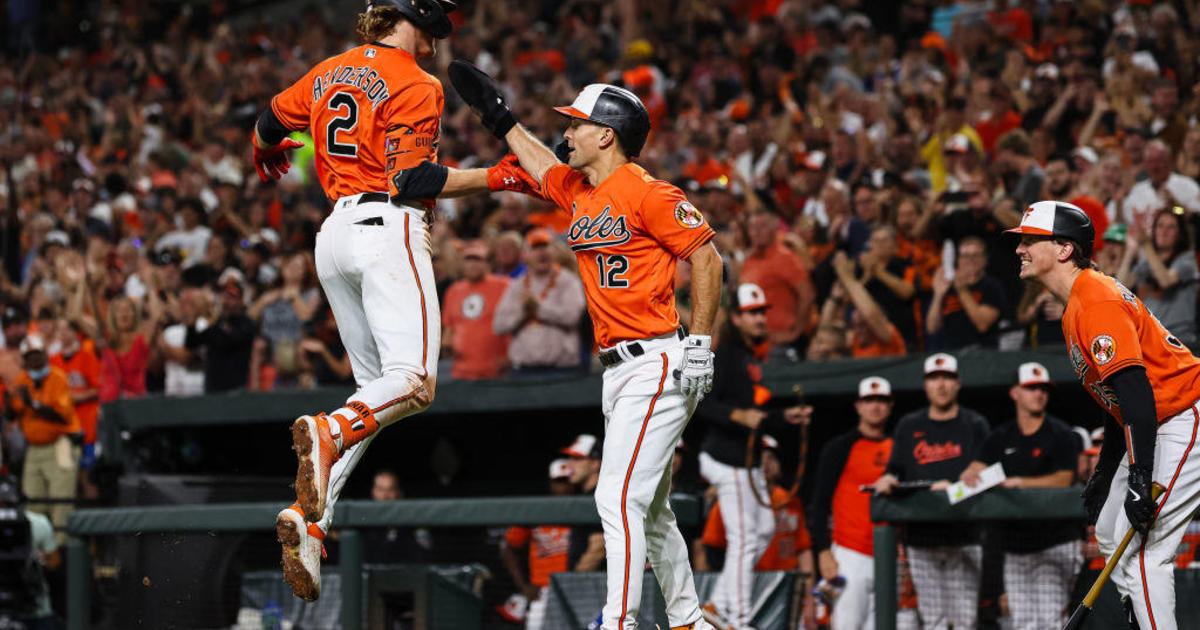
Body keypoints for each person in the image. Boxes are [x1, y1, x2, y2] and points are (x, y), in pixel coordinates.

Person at [393, 63, 725, 629]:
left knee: (616, 501)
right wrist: (499, 123)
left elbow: (707, 257)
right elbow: (534, 165)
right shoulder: (578, 187)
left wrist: (700, 342)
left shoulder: (647, 191)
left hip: (657, 360)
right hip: (619, 370)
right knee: (654, 512)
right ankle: (689, 619)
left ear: (607, 134)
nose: (566, 133)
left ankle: (619, 623)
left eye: (576, 124)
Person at [1009, 199, 1200, 630]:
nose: (1020, 249)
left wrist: (1139, 475)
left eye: (1029, 240)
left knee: (1147, 551)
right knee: (1112, 533)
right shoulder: (1078, 301)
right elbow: (1119, 401)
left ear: (1063, 249)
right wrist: (1108, 468)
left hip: (1184, 414)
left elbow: (1135, 391)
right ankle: (1142, 617)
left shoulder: (1094, 298)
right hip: (1158, 418)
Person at [693, 283, 810, 629]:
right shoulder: (725, 353)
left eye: (762, 312)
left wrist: (782, 418)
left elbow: (753, 415)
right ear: (737, 317)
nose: (759, 318)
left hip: (746, 459)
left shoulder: (749, 356)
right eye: (752, 313)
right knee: (745, 538)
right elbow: (700, 402)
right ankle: (739, 620)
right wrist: (735, 416)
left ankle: (720, 605)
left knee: (764, 530)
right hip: (726, 459)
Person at [959, 362, 1082, 630]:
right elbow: (975, 469)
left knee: (1051, 622)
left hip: (1055, 542)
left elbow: (1065, 479)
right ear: (1015, 393)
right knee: (1023, 623)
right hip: (1015, 545)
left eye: (1043, 389)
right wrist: (968, 475)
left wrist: (1021, 482)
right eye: (1031, 388)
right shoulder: (1000, 437)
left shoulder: (1061, 434)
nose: (1039, 394)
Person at [872, 353, 989, 630]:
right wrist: (886, 479)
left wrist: (966, 478)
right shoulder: (909, 425)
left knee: (965, 621)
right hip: (921, 538)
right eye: (934, 379)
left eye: (947, 378)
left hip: (965, 535)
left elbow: (987, 471)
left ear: (958, 383)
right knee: (933, 620)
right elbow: (895, 469)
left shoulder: (974, 424)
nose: (941, 385)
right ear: (926, 385)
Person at [808, 376, 895, 630]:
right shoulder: (840, 447)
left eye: (881, 400)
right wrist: (823, 551)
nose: (875, 406)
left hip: (889, 554)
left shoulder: (898, 448)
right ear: (858, 406)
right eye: (869, 400)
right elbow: (819, 503)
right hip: (849, 553)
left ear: (890, 405)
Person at [2, 334, 80, 544]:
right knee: (33, 503)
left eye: (37, 355)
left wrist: (33, 404)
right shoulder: (22, 380)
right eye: (29, 357)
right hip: (34, 449)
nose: (34, 360)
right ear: (24, 360)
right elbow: (11, 415)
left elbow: (62, 415)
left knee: (60, 503)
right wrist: (10, 401)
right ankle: (38, 552)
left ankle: (63, 553)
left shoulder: (58, 377)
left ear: (44, 355)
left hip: (59, 444)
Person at [492, 228, 587, 375]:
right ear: (525, 255)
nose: (542, 253)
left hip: (562, 370)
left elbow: (573, 317)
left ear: (554, 252)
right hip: (524, 370)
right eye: (535, 248)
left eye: (545, 247)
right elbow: (499, 325)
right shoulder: (517, 285)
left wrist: (538, 309)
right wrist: (523, 312)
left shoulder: (568, 281)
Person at [499, 459, 575, 630]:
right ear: (551, 483)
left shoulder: (589, 509)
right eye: (559, 481)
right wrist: (524, 585)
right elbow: (508, 547)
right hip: (543, 590)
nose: (564, 486)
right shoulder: (538, 511)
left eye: (567, 481)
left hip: (577, 587)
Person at [441, 240, 511, 380]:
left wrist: (512, 357)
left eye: (478, 259)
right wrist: (447, 346)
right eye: (468, 259)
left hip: (497, 370)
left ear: (487, 263)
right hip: (462, 371)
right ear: (462, 264)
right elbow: (449, 329)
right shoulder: (454, 291)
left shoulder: (504, 286)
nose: (473, 264)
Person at [0, 475, 60, 630]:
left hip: (33, 605)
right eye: (2, 504)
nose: (6, 508)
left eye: (10, 504)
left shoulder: (38, 523)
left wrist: (37, 559)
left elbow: (55, 562)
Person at [360, 469, 432, 564]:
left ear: (399, 493)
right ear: (373, 492)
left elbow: (424, 552)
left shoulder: (412, 521)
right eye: (380, 490)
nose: (385, 496)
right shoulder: (363, 521)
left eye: (390, 490)